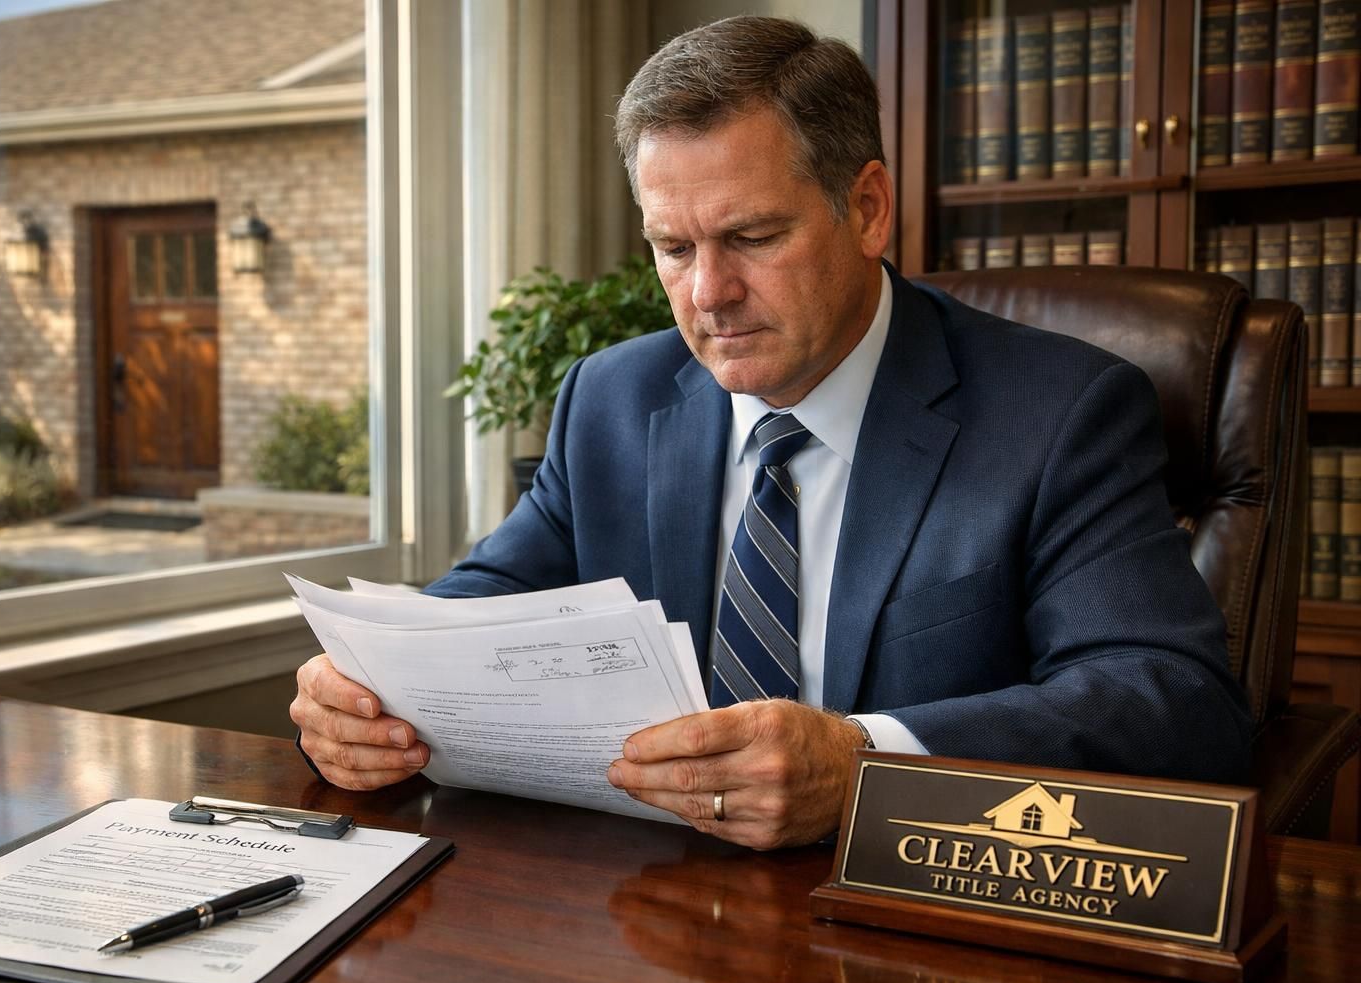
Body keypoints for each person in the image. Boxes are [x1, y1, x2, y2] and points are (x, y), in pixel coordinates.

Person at [290, 16, 1252, 850]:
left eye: (752, 237)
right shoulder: (614, 398)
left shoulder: (1058, 413)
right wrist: (366, 690)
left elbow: (1169, 697)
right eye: (675, 248)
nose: (709, 293)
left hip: (907, 924)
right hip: (653, 911)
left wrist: (865, 760)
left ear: (867, 208)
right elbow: (490, 598)